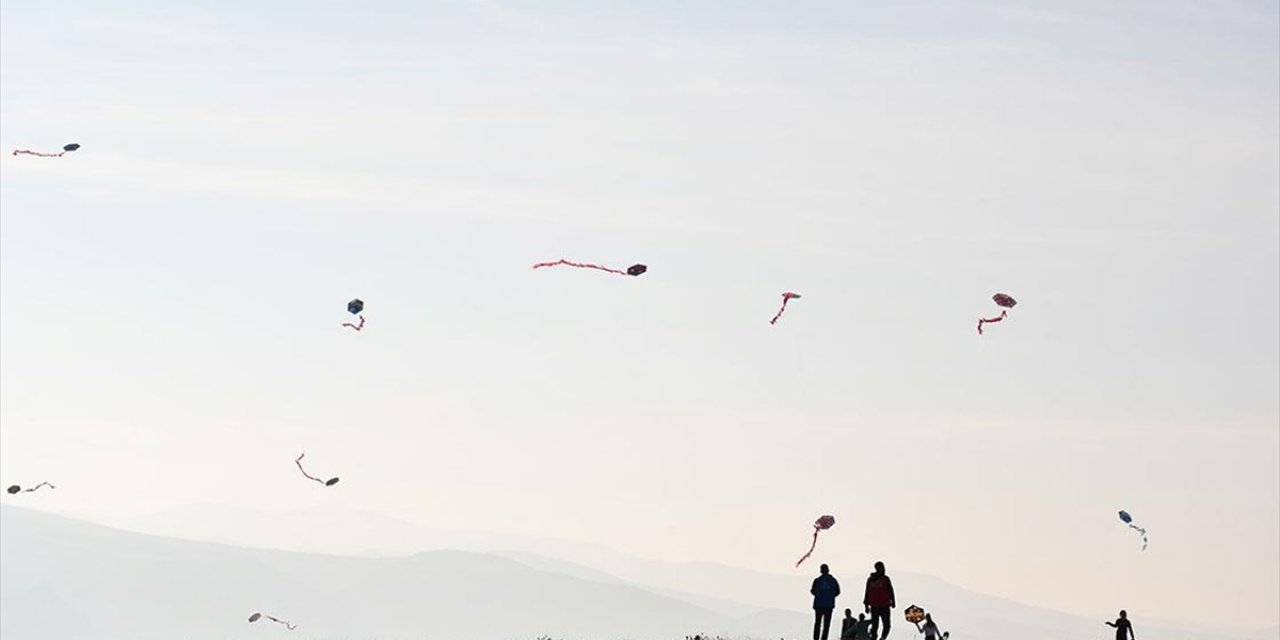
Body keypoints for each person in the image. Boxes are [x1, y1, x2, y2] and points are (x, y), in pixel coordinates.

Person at [863, 561, 896, 640]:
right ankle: (878, 638)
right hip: (881, 606)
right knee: (880, 625)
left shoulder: (874, 579)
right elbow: (867, 592)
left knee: (880, 625)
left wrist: (866, 605)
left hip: (878, 605)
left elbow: (890, 590)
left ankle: (880, 638)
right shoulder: (882, 579)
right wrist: (866, 605)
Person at [811, 563, 841, 640]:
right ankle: (824, 638)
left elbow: (813, 591)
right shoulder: (833, 581)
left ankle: (816, 638)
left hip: (819, 604)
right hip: (828, 605)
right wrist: (830, 596)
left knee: (817, 623)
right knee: (826, 625)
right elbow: (837, 591)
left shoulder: (817, 580)